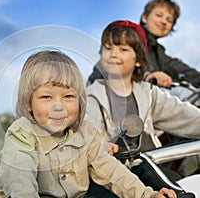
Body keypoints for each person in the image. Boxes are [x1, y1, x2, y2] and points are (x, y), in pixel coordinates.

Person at [0, 50, 176, 198]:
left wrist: (146, 194)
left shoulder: (86, 132)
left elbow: (112, 171)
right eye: (46, 97)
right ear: (28, 103)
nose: (58, 106)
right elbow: (19, 179)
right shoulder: (22, 133)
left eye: (68, 97)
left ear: (80, 102)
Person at [85, 20, 200, 192]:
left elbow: (185, 116)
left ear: (138, 60)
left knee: (182, 187)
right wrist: (99, 145)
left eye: (123, 49)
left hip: (149, 166)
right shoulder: (92, 95)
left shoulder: (149, 93)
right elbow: (89, 129)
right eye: (108, 48)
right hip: (113, 174)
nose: (113, 54)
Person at [88, 0, 200, 89]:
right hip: (102, 96)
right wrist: (147, 75)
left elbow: (178, 67)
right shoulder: (129, 37)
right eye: (159, 15)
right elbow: (113, 63)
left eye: (169, 20)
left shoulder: (158, 52)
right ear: (145, 17)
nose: (164, 22)